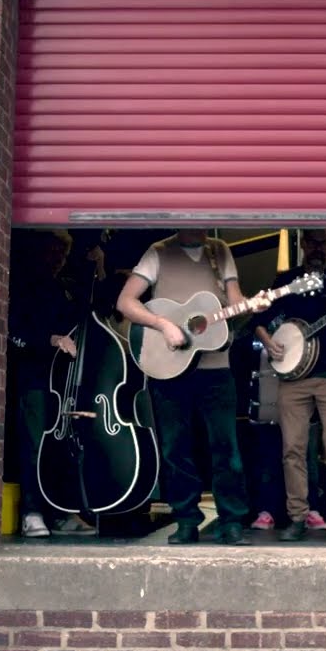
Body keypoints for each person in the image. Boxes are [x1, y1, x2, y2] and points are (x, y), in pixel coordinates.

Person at [116, 229, 254, 545]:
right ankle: (186, 520)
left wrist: (249, 305)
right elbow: (125, 301)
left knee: (226, 449)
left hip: (216, 367)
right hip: (168, 367)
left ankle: (232, 521)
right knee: (175, 448)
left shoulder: (220, 250)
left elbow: (234, 299)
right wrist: (163, 325)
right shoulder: (158, 251)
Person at [254, 228, 326, 542]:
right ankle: (298, 517)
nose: (319, 248)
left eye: (325, 243)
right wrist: (270, 344)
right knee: (292, 449)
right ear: (303, 244)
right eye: (313, 242)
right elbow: (259, 321)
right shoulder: (285, 281)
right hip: (294, 377)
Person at [6, 230, 100, 538]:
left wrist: (99, 270)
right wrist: (49, 340)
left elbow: (88, 315)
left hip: (64, 384)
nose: (58, 260)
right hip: (34, 381)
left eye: (62, 254)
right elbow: (12, 335)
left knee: (62, 448)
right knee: (35, 446)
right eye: (53, 253)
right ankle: (32, 513)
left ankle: (61, 511)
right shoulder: (19, 287)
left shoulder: (64, 289)